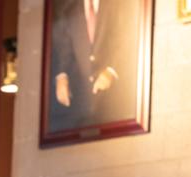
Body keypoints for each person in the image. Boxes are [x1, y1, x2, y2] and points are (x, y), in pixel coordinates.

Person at [48, 0, 139, 133]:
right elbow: (64, 51)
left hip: (115, 106)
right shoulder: (69, 10)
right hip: (79, 110)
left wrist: (111, 71)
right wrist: (62, 77)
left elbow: (126, 38)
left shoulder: (117, 5)